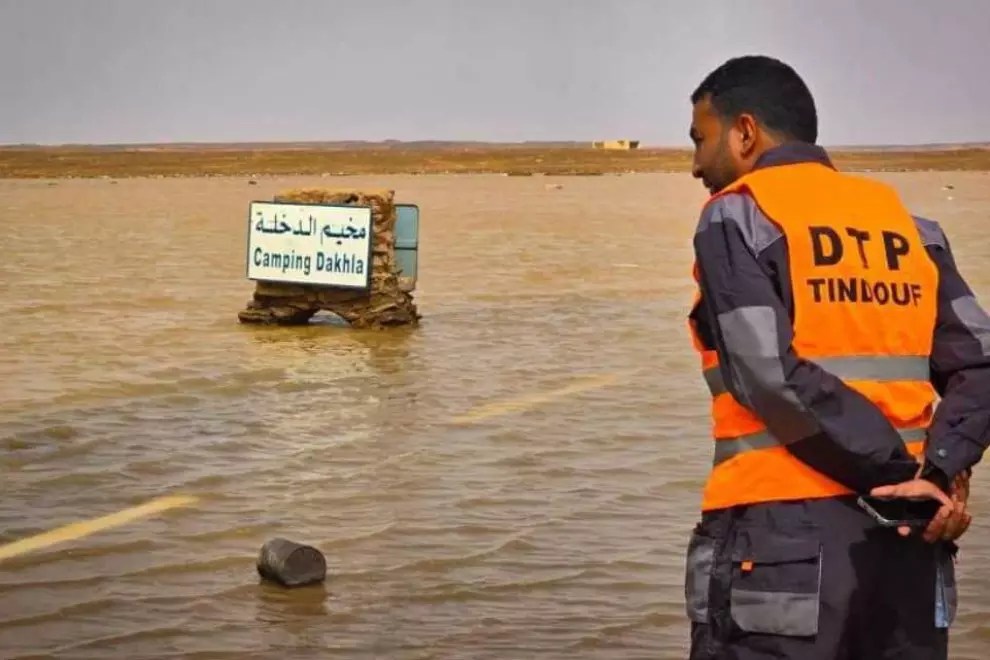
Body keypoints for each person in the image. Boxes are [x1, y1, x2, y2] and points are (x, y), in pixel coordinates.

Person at [683, 54, 990, 659]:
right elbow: (979, 365)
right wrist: (937, 475)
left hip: (781, 539)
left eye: (700, 139)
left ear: (745, 132)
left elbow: (766, 376)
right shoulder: (910, 226)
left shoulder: (737, 215)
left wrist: (898, 479)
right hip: (910, 545)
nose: (695, 164)